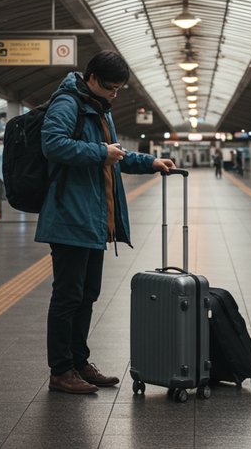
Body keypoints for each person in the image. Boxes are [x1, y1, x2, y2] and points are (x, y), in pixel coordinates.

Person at [36, 50, 176, 395]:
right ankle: (60, 370)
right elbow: (52, 145)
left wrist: (150, 162)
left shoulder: (98, 108)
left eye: (119, 90)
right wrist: (100, 153)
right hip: (70, 216)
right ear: (93, 79)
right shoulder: (68, 103)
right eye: (111, 88)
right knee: (68, 296)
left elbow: (116, 156)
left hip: (93, 219)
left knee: (87, 294)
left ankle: (79, 361)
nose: (115, 95)